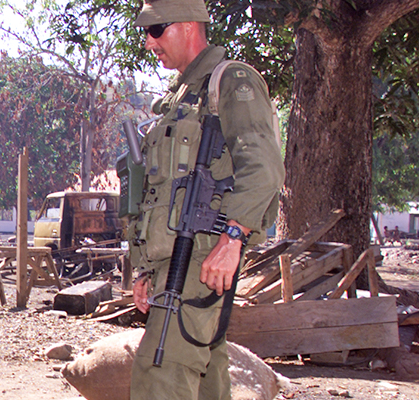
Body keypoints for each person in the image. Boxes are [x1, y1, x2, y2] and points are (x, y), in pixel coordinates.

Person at [127, 1, 285, 399]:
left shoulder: (230, 81)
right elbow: (160, 192)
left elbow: (263, 168)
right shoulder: (180, 96)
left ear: (188, 25)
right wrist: (147, 268)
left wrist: (233, 238)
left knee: (160, 374)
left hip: (203, 257)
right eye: (146, 32)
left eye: (156, 29)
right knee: (206, 377)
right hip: (177, 262)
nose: (149, 42)